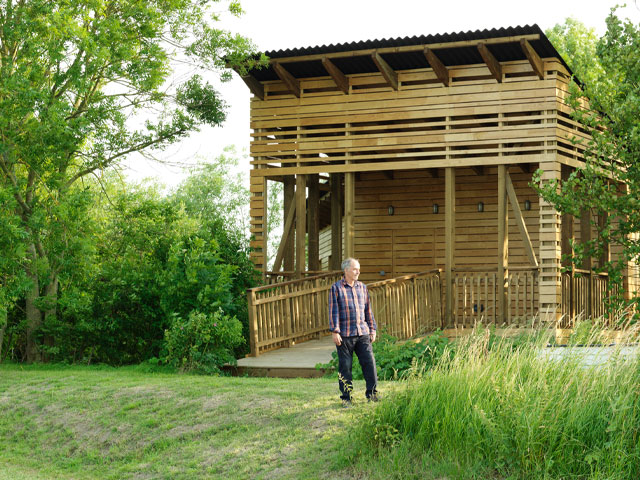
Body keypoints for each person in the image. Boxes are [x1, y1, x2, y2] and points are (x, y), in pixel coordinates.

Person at [329, 257, 379, 407]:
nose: (358, 271)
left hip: (362, 332)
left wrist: (372, 328)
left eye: (358, 269)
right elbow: (333, 311)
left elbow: (368, 310)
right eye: (355, 269)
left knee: (369, 363)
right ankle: (346, 398)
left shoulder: (362, 287)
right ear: (346, 270)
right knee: (345, 367)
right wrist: (335, 331)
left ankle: (372, 394)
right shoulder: (336, 288)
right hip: (344, 334)